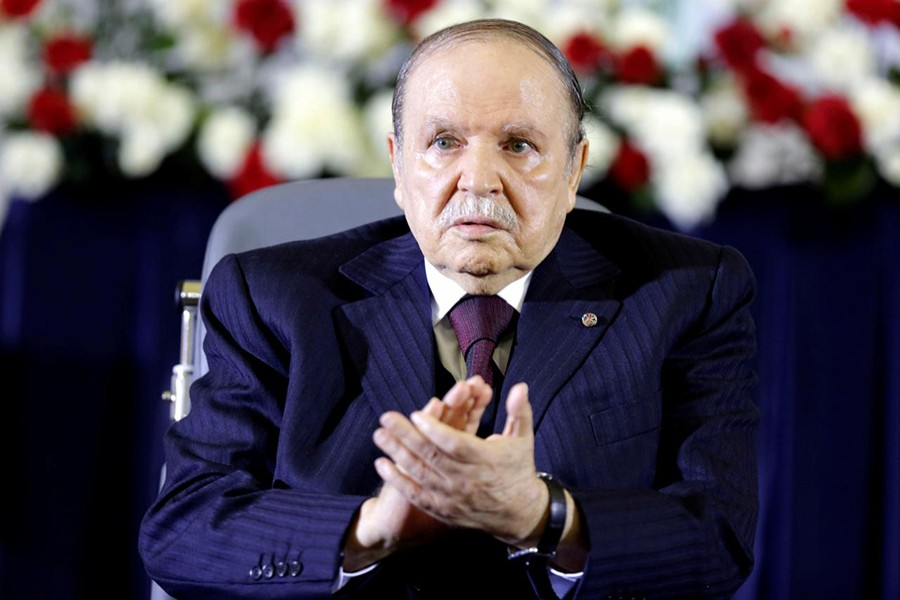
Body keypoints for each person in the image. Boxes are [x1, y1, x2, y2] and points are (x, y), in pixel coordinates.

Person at [139, 18, 759, 600]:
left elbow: (716, 538)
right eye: (443, 142)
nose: (478, 179)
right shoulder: (273, 296)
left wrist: (546, 517)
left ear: (574, 171)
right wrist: (367, 528)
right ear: (398, 165)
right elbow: (187, 527)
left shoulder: (689, 292)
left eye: (519, 145)